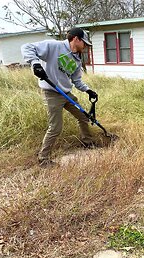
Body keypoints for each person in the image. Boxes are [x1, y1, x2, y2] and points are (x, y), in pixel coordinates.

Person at [21, 27, 98, 167]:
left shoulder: (77, 59)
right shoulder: (54, 46)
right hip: (52, 93)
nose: (86, 46)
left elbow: (77, 81)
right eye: (84, 43)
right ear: (76, 39)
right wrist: (35, 63)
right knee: (55, 127)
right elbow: (27, 47)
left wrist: (88, 90)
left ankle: (87, 142)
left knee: (84, 117)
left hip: (66, 94)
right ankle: (43, 159)